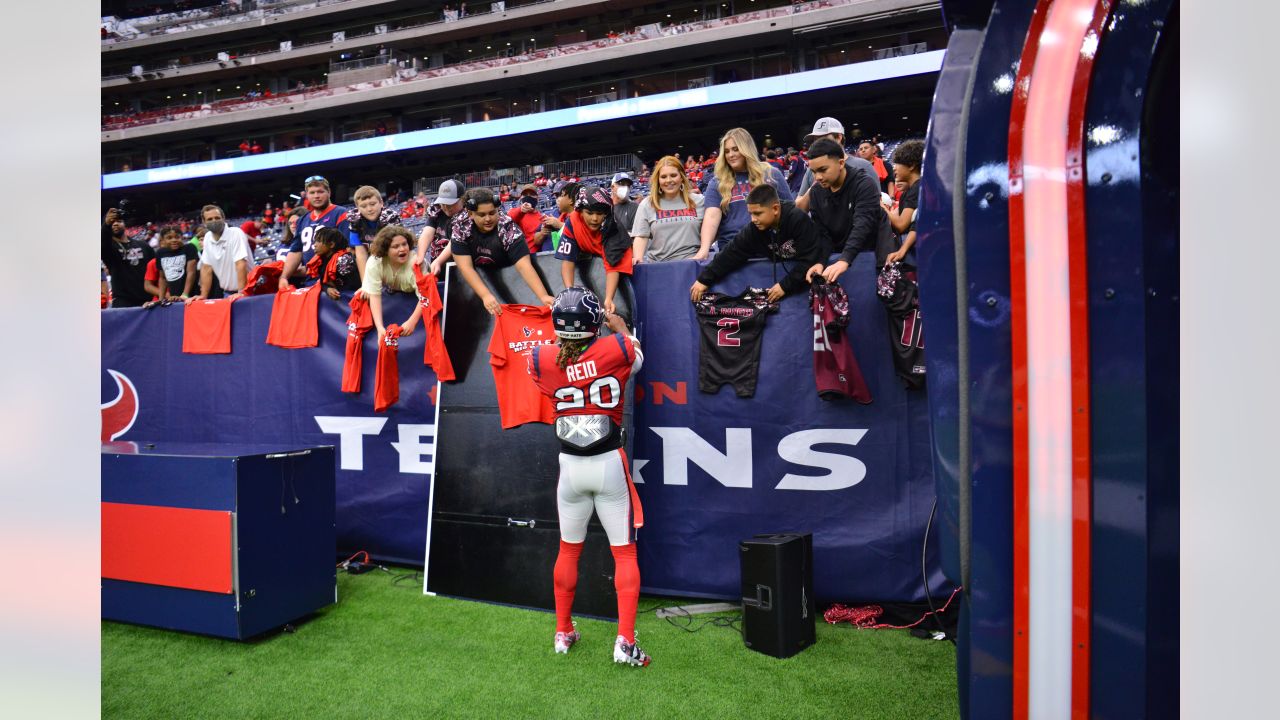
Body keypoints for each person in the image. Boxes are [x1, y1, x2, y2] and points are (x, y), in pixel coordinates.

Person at [526, 286, 650, 667]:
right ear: (595, 322)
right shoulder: (618, 348)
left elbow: (555, 372)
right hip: (608, 464)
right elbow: (636, 354)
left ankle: (563, 631)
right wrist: (621, 325)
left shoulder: (540, 358)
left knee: (568, 550)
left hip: (571, 469)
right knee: (624, 553)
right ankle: (624, 642)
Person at [689, 184, 825, 304]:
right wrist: (704, 280)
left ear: (775, 209)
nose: (753, 219)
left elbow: (811, 258)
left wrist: (785, 286)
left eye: (758, 213)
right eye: (750, 214)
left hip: (805, 290)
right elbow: (731, 252)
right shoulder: (754, 228)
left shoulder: (797, 219)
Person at [801, 138, 896, 284]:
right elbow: (822, 233)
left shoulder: (864, 183)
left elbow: (862, 225)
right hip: (842, 256)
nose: (817, 177)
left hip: (872, 254)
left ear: (841, 163)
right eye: (813, 172)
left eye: (823, 170)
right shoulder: (815, 192)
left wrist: (845, 259)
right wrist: (821, 261)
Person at [450, 188, 555, 315]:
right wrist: (485, 295)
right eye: (482, 215)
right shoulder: (460, 226)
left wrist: (543, 296)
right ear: (470, 213)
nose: (488, 219)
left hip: (508, 272)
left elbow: (523, 266)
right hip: (478, 276)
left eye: (492, 213)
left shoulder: (507, 227)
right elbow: (466, 268)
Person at [700, 128, 793, 251]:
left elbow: (790, 212)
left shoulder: (771, 174)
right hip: (732, 249)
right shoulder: (717, 182)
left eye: (735, 149)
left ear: (746, 149)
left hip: (770, 247)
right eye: (726, 151)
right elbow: (711, 217)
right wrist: (704, 249)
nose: (730, 155)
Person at [556, 185, 633, 314]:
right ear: (580, 211)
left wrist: (609, 298)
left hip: (618, 258)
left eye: (599, 213)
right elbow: (567, 259)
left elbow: (613, 266)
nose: (595, 218)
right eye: (589, 213)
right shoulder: (572, 221)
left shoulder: (613, 227)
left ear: (606, 213)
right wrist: (569, 292)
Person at [280, 175, 351, 290]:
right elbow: (295, 251)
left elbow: (348, 249)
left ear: (329, 192)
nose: (316, 196)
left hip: (336, 281)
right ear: (307, 195)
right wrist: (284, 277)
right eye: (312, 193)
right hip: (310, 282)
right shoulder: (303, 220)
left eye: (320, 192)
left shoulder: (341, 213)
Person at [630, 155, 706, 263]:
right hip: (659, 268)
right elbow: (641, 236)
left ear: (681, 177)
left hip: (692, 266)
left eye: (673, 175)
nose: (669, 180)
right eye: (664, 176)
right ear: (658, 179)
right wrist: (638, 257)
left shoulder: (699, 201)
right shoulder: (647, 204)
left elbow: (711, 231)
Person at [794, 117, 878, 211]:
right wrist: (817, 184)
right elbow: (799, 208)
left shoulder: (864, 166)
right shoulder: (812, 170)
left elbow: (875, 206)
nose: (818, 144)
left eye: (823, 139)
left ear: (839, 137)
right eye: (816, 140)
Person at [362, 225, 426, 343]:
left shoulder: (417, 263)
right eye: (395, 246)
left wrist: (413, 321)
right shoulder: (375, 262)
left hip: (416, 295)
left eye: (404, 244)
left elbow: (426, 296)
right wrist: (379, 327)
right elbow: (375, 296)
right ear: (385, 250)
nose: (402, 249)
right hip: (392, 288)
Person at [188, 204, 250, 301]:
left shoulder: (235, 233)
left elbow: (240, 264)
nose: (214, 221)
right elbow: (206, 268)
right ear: (204, 222)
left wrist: (241, 292)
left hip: (247, 291)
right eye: (210, 219)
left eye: (217, 218)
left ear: (223, 218)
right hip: (227, 293)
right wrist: (203, 295)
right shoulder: (207, 237)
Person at [101, 207, 154, 308]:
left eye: (119, 221)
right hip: (123, 301)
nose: (115, 224)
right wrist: (106, 224)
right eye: (112, 223)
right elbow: (101, 243)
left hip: (147, 299)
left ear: (125, 224)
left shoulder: (143, 245)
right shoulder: (108, 249)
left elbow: (155, 270)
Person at [885, 139, 924, 266]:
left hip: (915, 249)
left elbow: (902, 224)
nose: (894, 168)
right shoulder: (912, 189)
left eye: (897, 164)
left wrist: (882, 207)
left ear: (911, 165)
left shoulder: (917, 188)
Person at [415, 179, 466, 276]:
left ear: (462, 199)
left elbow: (455, 241)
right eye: (443, 203)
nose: (446, 207)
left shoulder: (468, 214)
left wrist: (439, 261)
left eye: (450, 203)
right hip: (438, 269)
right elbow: (427, 233)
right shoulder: (437, 211)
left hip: (459, 271)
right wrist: (420, 257)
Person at [349, 185, 397, 277]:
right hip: (372, 261)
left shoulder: (390, 218)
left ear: (381, 203)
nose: (369, 209)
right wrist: (365, 284)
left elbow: (397, 248)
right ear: (357, 208)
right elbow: (361, 254)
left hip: (391, 258)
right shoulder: (355, 222)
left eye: (372, 204)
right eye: (363, 206)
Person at [309, 227, 361, 300]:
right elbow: (322, 281)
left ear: (331, 244)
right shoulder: (320, 260)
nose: (315, 245)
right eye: (315, 241)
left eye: (318, 241)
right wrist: (328, 289)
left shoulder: (344, 260)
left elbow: (356, 285)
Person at [154, 225, 198, 300]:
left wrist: (185, 294)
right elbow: (163, 278)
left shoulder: (189, 248)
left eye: (177, 237)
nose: (174, 240)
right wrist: (161, 299)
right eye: (169, 238)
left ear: (182, 237)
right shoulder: (160, 253)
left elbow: (191, 272)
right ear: (163, 240)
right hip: (174, 297)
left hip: (191, 296)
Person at [506, 184, 551, 254]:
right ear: (521, 198)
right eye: (525, 194)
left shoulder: (543, 218)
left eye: (532, 194)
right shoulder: (516, 213)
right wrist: (521, 210)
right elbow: (508, 218)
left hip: (538, 257)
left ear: (537, 198)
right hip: (520, 256)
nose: (528, 197)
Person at [540, 181, 580, 252]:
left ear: (571, 198)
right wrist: (543, 232)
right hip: (552, 258)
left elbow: (581, 237)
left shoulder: (580, 213)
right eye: (556, 196)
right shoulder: (550, 214)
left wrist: (559, 225)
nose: (558, 199)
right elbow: (536, 240)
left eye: (561, 195)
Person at [609, 172, 638, 249]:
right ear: (612, 187)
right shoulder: (605, 207)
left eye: (628, 185)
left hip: (627, 252)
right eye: (621, 183)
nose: (625, 188)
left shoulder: (634, 207)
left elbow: (636, 236)